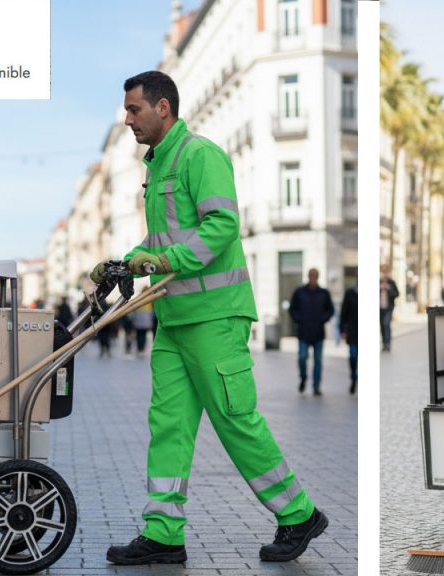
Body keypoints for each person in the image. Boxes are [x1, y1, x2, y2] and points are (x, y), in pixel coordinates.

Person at [91, 71, 326, 566]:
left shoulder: (200, 155)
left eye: (134, 110)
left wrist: (165, 261)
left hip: (215, 316)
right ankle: (163, 533)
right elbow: (161, 244)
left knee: (234, 419)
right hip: (176, 318)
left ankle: (298, 513)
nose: (129, 119)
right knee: (169, 425)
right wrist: (125, 260)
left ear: (163, 108)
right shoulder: (159, 167)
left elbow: (222, 225)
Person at [288, 268, 334, 396]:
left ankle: (316, 386)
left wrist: (322, 319)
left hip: (318, 332)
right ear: (308, 277)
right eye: (311, 276)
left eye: (315, 276)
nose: (313, 278)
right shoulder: (300, 292)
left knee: (318, 360)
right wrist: (299, 320)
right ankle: (303, 378)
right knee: (302, 357)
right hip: (303, 332)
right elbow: (292, 309)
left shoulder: (324, 293)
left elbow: (330, 310)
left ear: (318, 277)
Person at [339, 283, 358, 394]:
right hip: (352, 331)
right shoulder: (350, 293)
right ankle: (353, 377)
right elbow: (344, 312)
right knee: (353, 356)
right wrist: (342, 330)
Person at [379, 265, 399, 352]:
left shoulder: (391, 282)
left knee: (386, 323)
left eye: (385, 271)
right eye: (382, 271)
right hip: (380, 308)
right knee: (382, 325)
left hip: (389, 308)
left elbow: (397, 294)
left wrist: (389, 288)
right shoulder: (378, 282)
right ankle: (384, 344)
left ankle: (388, 344)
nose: (384, 273)